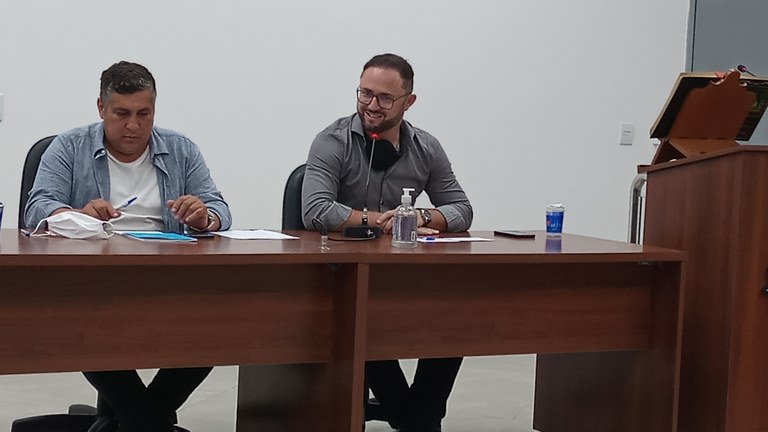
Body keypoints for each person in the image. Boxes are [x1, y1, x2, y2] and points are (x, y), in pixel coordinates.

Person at [25, 61, 232, 432]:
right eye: (122, 114)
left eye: (143, 114)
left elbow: (219, 209)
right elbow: (37, 206)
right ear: (101, 108)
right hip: (94, 280)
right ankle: (148, 421)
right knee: (91, 326)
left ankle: (135, 421)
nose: (134, 125)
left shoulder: (180, 149)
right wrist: (77, 215)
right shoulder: (69, 147)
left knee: (216, 329)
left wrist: (205, 218)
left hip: (167, 277)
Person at [302, 53, 472, 432]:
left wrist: (419, 216)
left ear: (409, 102)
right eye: (365, 93)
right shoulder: (332, 141)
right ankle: (416, 421)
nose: (371, 105)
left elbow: (461, 209)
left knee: (454, 319)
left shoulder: (426, 147)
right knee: (361, 319)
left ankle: (415, 417)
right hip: (340, 276)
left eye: (384, 98)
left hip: (402, 274)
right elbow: (316, 210)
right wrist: (383, 222)